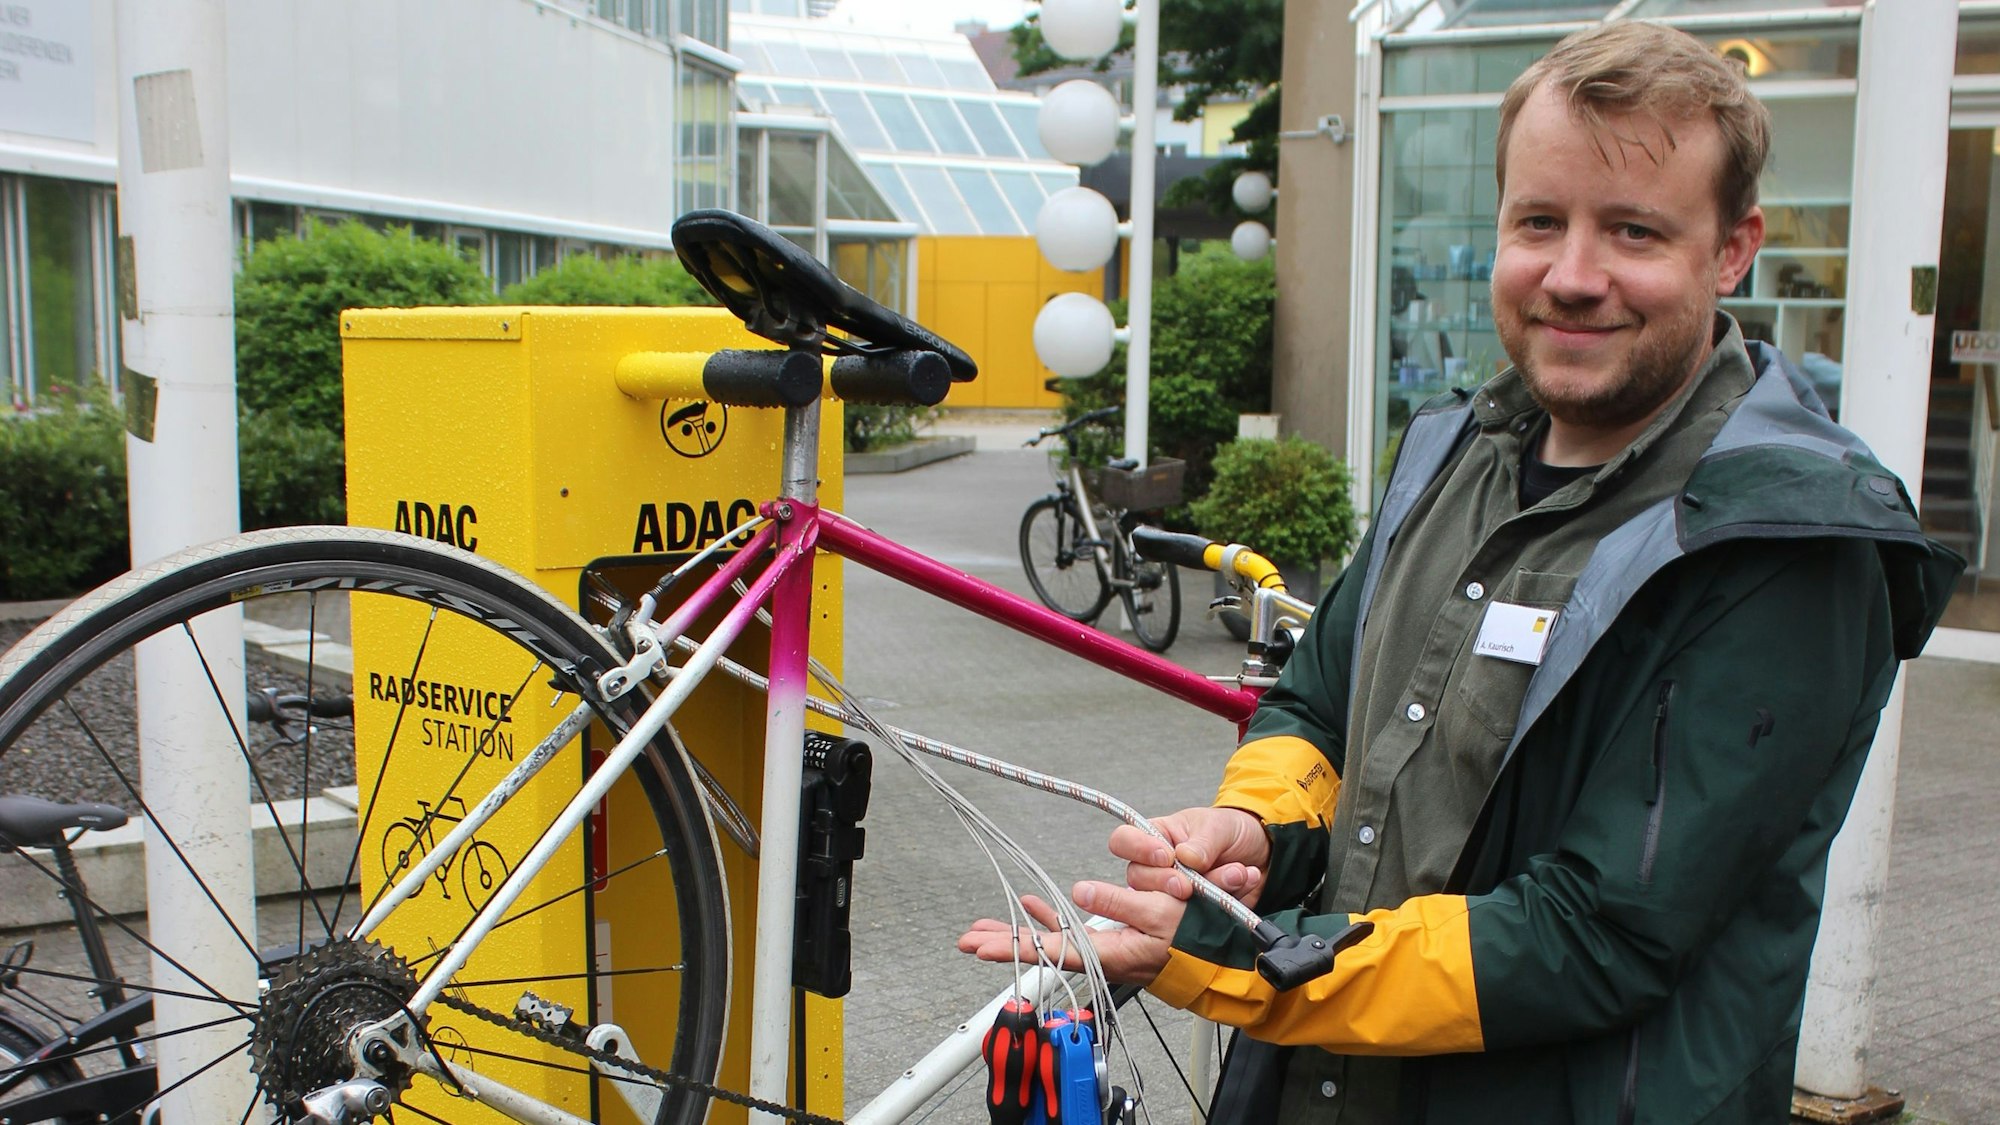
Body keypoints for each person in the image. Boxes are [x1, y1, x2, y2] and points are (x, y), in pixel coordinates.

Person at [962, 20, 1963, 1123]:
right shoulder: (1450, 450)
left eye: (1632, 231)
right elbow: (1322, 708)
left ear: (1730, 250)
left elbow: (1600, 932)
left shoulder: (1782, 540)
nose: (1572, 276)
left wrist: (1225, 956)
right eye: (1539, 221)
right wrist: (1255, 837)